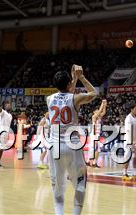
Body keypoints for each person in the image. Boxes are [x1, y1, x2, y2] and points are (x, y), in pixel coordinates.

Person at [47, 65, 97, 215]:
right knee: (80, 184)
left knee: (58, 186)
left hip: (54, 147)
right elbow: (94, 93)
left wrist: (72, 79)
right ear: (69, 84)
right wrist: (81, 77)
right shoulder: (75, 98)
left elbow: (65, 95)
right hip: (72, 146)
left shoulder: (49, 99)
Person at [123, 101, 136, 182]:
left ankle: (135, 173)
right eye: (135, 108)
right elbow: (128, 131)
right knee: (127, 157)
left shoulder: (134, 117)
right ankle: (124, 174)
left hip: (135, 140)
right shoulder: (128, 118)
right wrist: (131, 142)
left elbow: (135, 131)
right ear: (131, 109)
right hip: (129, 140)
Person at [87, 99, 107, 168]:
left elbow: (103, 112)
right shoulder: (94, 117)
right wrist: (102, 103)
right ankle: (88, 162)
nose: (98, 111)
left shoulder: (99, 117)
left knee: (98, 149)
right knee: (93, 149)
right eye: (96, 110)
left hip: (97, 134)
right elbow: (100, 111)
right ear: (94, 112)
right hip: (94, 134)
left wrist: (105, 105)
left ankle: (94, 162)